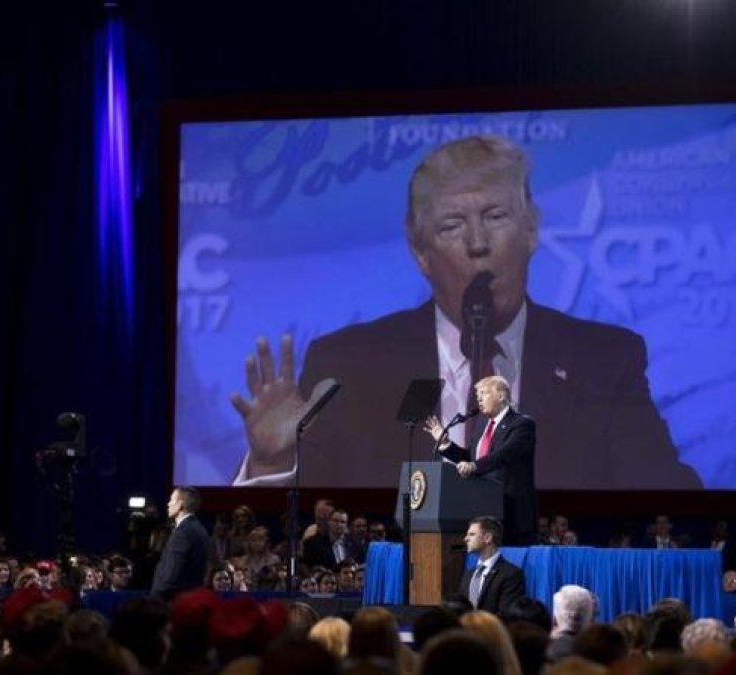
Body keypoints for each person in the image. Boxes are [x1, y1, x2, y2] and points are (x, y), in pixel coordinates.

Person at [230, 135, 701, 490]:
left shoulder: (603, 358)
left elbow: (664, 493)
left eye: (496, 217)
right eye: (453, 225)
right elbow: (312, 519)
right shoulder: (349, 365)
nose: (478, 244)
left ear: (531, 231)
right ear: (420, 253)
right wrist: (271, 462)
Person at [426, 375, 536, 544]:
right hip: (481, 506)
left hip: (509, 509)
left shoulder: (522, 424)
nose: (479, 399)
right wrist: (446, 444)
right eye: (477, 395)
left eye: (484, 393)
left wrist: (474, 466)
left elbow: (504, 454)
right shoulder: (481, 428)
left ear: (501, 396)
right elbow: (470, 458)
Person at [457, 516, 525, 616]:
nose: (465, 539)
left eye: (472, 534)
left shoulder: (511, 574)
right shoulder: (468, 574)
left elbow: (506, 614)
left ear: (488, 538)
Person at [151, 487, 211, 599]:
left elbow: (172, 570)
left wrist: (156, 597)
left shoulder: (184, 532)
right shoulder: (198, 528)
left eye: (171, 500)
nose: (168, 504)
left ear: (180, 505)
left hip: (173, 601)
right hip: (190, 599)